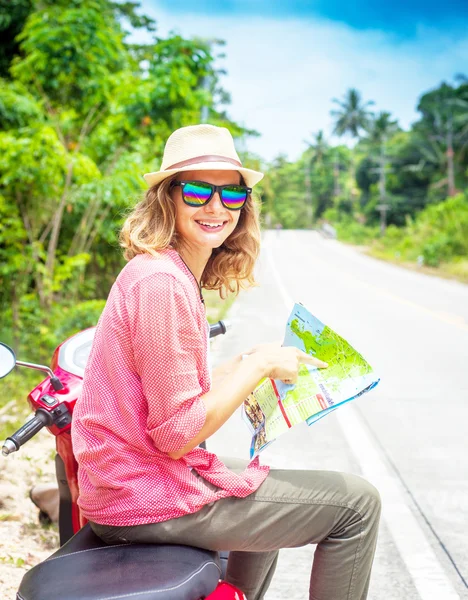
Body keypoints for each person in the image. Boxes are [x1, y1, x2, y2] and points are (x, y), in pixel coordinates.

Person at [71, 124, 381, 600]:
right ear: (167, 199)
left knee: (262, 479)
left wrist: (245, 362)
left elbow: (166, 390)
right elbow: (176, 434)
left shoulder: (166, 272)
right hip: (143, 496)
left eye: (231, 194)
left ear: (244, 204)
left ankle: (230, 595)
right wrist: (255, 371)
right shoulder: (161, 284)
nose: (216, 207)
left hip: (132, 480)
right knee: (358, 504)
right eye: (197, 190)